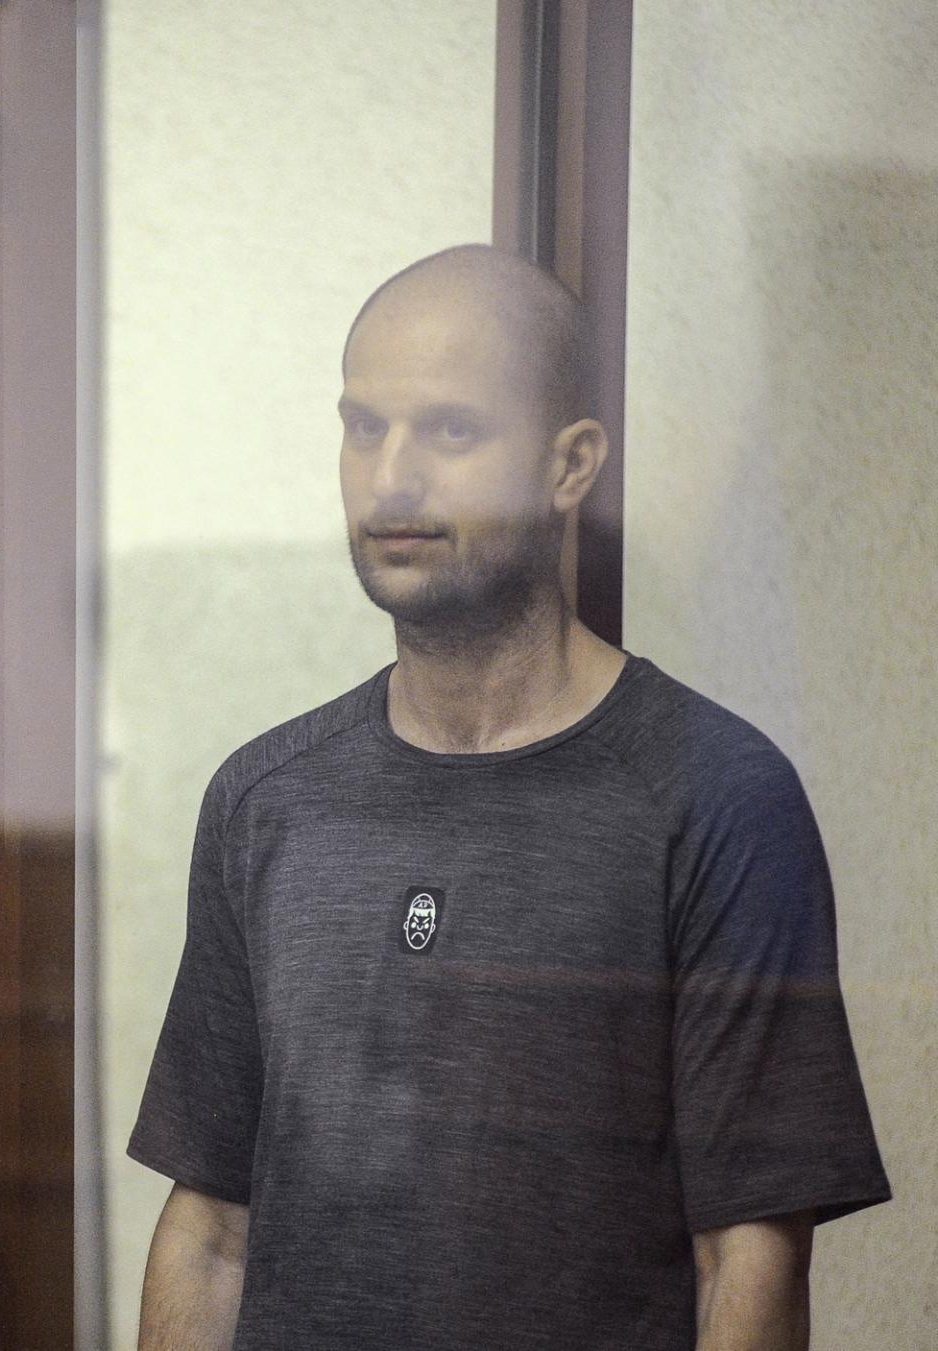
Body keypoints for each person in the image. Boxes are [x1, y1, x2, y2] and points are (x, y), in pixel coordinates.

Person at [127, 244, 891, 1350]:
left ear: (570, 465)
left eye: (449, 431)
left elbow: (750, 1256)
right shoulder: (266, 798)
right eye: (363, 426)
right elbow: (211, 1228)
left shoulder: (718, 797)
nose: (392, 477)